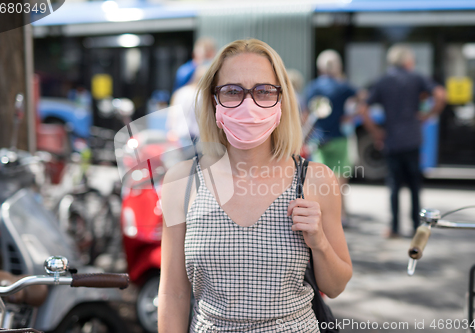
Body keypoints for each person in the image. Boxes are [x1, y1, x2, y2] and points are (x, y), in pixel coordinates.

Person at [158, 39, 352, 332]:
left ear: (281, 99)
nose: (249, 104)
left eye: (263, 91)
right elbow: (173, 293)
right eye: (233, 91)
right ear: (214, 100)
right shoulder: (181, 183)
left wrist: (319, 243)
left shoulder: (316, 179)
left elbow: (336, 286)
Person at [359, 44, 447, 238]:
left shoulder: (383, 81)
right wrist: (428, 114)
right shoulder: (417, 77)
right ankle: (417, 227)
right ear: (408, 61)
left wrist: (376, 132)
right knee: (415, 186)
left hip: (392, 140)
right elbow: (440, 95)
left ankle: (395, 227)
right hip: (413, 139)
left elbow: (363, 109)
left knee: (394, 187)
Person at [303, 50, 359, 226]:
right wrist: (351, 116)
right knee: (340, 181)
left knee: (321, 181)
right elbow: (363, 101)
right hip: (339, 138)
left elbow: (305, 114)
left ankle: (321, 217)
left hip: (319, 140)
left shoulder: (313, 87)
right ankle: (340, 216)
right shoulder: (344, 87)